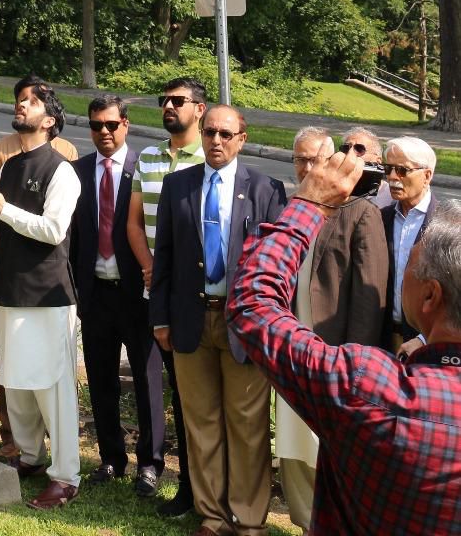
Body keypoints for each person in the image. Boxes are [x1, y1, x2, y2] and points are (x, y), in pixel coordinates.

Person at [230, 139, 461, 535]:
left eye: (412, 263)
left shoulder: (364, 385)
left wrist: (308, 206)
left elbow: (253, 304)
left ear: (430, 296)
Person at [149, 104, 285, 536]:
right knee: (201, 424)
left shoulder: (266, 189)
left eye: (226, 134)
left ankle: (247, 521)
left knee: (247, 427)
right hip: (190, 321)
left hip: (243, 325)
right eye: (210, 133)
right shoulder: (178, 186)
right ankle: (211, 518)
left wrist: (269, 325)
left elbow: (277, 267)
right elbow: (164, 257)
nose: (216, 141)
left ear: (242, 139)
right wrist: (160, 319)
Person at [276, 127, 388, 532]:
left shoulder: (361, 212)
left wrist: (353, 364)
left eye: (315, 160)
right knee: (293, 442)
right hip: (293, 347)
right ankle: (306, 521)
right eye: (300, 160)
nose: (308, 168)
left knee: (328, 446)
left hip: (334, 353)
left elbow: (368, 297)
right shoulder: (295, 206)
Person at [0, 80, 81, 511]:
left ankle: (66, 476)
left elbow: (54, 231)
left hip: (48, 294)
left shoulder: (62, 169)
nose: (22, 105)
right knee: (17, 382)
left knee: (52, 386)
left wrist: (4, 209)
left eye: (33, 102)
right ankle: (30, 455)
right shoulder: (10, 166)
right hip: (9, 288)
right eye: (20, 101)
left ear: (50, 120)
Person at [70, 94, 164, 496]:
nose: (104, 133)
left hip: (136, 294)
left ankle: (150, 463)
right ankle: (111, 458)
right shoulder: (74, 172)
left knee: (147, 381)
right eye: (96, 126)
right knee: (101, 379)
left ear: (126, 124)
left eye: (111, 125)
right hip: (95, 294)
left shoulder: (144, 170)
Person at [126, 75, 207, 519]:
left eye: (178, 101)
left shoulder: (209, 157)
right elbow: (135, 223)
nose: (168, 107)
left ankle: (203, 488)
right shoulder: (151, 157)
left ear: (199, 107)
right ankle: (183, 485)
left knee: (195, 396)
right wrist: (151, 268)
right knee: (173, 389)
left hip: (195, 296)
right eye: (164, 101)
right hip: (155, 291)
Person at [381, 136, 437, 351]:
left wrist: (424, 339)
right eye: (389, 169)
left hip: (427, 344)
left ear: (426, 176)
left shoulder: (447, 224)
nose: (393, 177)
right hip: (384, 339)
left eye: (402, 170)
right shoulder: (380, 218)